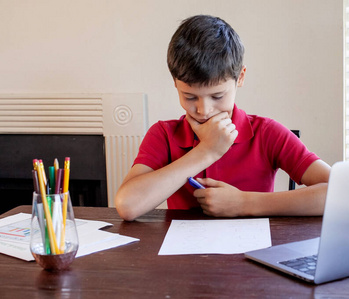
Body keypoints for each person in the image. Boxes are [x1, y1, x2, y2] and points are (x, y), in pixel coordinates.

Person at [115, 15, 331, 221]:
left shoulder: (266, 133)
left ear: (241, 77)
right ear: (175, 83)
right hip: (185, 256)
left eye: (217, 96)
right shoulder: (163, 134)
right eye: (189, 96)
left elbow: (337, 193)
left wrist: (244, 203)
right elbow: (128, 205)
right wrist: (207, 151)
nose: (203, 110)